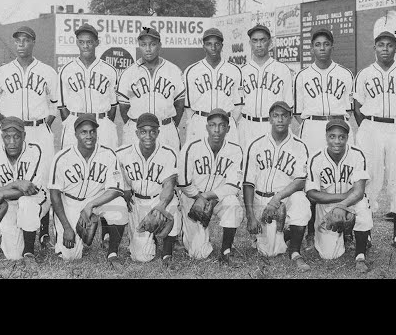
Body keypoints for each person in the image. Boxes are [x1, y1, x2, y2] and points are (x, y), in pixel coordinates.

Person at [353, 30, 396, 248]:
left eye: (389, 45)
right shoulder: (364, 74)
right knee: (368, 176)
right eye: (380, 45)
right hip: (370, 126)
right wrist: (367, 125)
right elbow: (357, 106)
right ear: (375, 48)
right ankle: (367, 231)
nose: (385, 49)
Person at [0, 25, 58, 250]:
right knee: (11, 177)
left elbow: (55, 104)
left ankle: (43, 231)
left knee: (43, 180)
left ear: (33, 42)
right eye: (18, 40)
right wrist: (6, 124)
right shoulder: (1, 72)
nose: (21, 44)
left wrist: (43, 125)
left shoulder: (48, 72)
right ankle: (12, 227)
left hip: (39, 129)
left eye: (26, 40)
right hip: (12, 133)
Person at [293, 27, 353, 249]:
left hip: (338, 125)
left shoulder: (345, 74)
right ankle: (310, 232)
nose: (322, 48)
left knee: (343, 175)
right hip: (312, 126)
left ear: (332, 46)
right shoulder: (302, 76)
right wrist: (314, 127)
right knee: (312, 177)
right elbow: (298, 112)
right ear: (311, 48)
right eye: (317, 44)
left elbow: (349, 108)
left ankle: (347, 229)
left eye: (326, 44)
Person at [49, 114, 128, 262]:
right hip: (70, 202)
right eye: (84, 132)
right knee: (70, 256)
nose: (89, 136)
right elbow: (54, 195)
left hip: (96, 199)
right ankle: (70, 229)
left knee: (120, 206)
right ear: (76, 135)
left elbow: (116, 189)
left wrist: (90, 205)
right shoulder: (62, 157)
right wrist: (67, 228)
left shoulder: (108, 154)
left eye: (92, 131)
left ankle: (112, 253)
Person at [243, 101, 311, 271]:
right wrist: (251, 216)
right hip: (261, 199)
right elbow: (248, 183)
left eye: (284, 116)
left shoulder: (299, 146)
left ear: (290, 119)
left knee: (301, 200)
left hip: (284, 198)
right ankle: (282, 234)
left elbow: (301, 180)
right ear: (270, 119)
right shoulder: (256, 144)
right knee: (270, 252)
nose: (280, 119)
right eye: (276, 116)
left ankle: (295, 252)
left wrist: (277, 198)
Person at [305, 119, 373, 273]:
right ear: (326, 137)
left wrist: (343, 206)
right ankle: (344, 233)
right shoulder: (316, 158)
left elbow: (359, 192)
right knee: (329, 255)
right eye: (332, 136)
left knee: (363, 207)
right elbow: (312, 194)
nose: (337, 141)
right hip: (327, 204)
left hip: (353, 201)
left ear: (347, 138)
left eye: (341, 137)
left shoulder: (357, 154)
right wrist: (341, 201)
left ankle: (360, 256)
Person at [178, 108, 244, 264]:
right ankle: (187, 233)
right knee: (198, 254)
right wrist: (198, 198)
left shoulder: (235, 150)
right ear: (206, 127)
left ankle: (226, 251)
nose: (217, 130)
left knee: (233, 204)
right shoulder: (191, 147)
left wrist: (207, 197)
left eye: (222, 125)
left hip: (217, 197)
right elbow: (183, 183)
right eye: (213, 125)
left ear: (228, 128)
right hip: (192, 197)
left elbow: (234, 186)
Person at [115, 113, 181, 267]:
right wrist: (125, 189)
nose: (148, 136)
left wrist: (161, 206)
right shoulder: (122, 152)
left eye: (152, 131)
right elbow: (117, 176)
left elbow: (169, 184)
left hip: (158, 198)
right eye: (143, 131)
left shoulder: (168, 152)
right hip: (136, 201)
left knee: (173, 205)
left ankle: (167, 253)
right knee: (141, 257)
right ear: (137, 133)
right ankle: (149, 238)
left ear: (158, 132)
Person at [0, 117, 50, 265]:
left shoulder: (35, 150)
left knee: (26, 203)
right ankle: (10, 236)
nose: (11, 141)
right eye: (7, 137)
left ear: (24, 136)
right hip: (10, 203)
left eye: (16, 136)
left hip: (37, 199)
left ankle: (29, 252)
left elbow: (30, 189)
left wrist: (2, 192)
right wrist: (17, 183)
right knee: (13, 255)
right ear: (2, 137)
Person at [117, 26, 185, 151]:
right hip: (137, 130)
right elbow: (124, 107)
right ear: (139, 46)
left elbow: (179, 104)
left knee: (169, 168)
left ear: (160, 45)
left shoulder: (173, 70)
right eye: (143, 44)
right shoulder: (129, 73)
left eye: (152, 44)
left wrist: (168, 124)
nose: (148, 49)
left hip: (165, 129)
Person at [57, 23, 119, 149]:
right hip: (75, 123)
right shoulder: (66, 69)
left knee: (105, 163)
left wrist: (104, 122)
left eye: (89, 42)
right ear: (77, 43)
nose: (85, 46)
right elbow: (62, 107)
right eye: (81, 42)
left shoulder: (109, 70)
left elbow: (113, 107)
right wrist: (71, 123)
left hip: (101, 124)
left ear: (97, 42)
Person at [239, 24, 294, 152]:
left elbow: (288, 105)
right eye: (255, 41)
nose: (259, 45)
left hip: (272, 126)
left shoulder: (282, 70)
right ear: (250, 43)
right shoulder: (242, 71)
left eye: (263, 40)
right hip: (247, 126)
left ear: (270, 42)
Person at [183, 28, 243, 144]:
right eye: (209, 44)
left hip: (225, 122)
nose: (213, 48)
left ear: (222, 45)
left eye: (217, 44)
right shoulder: (191, 70)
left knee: (227, 159)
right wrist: (195, 123)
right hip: (201, 122)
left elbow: (238, 105)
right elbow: (188, 107)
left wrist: (229, 121)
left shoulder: (235, 70)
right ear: (203, 46)